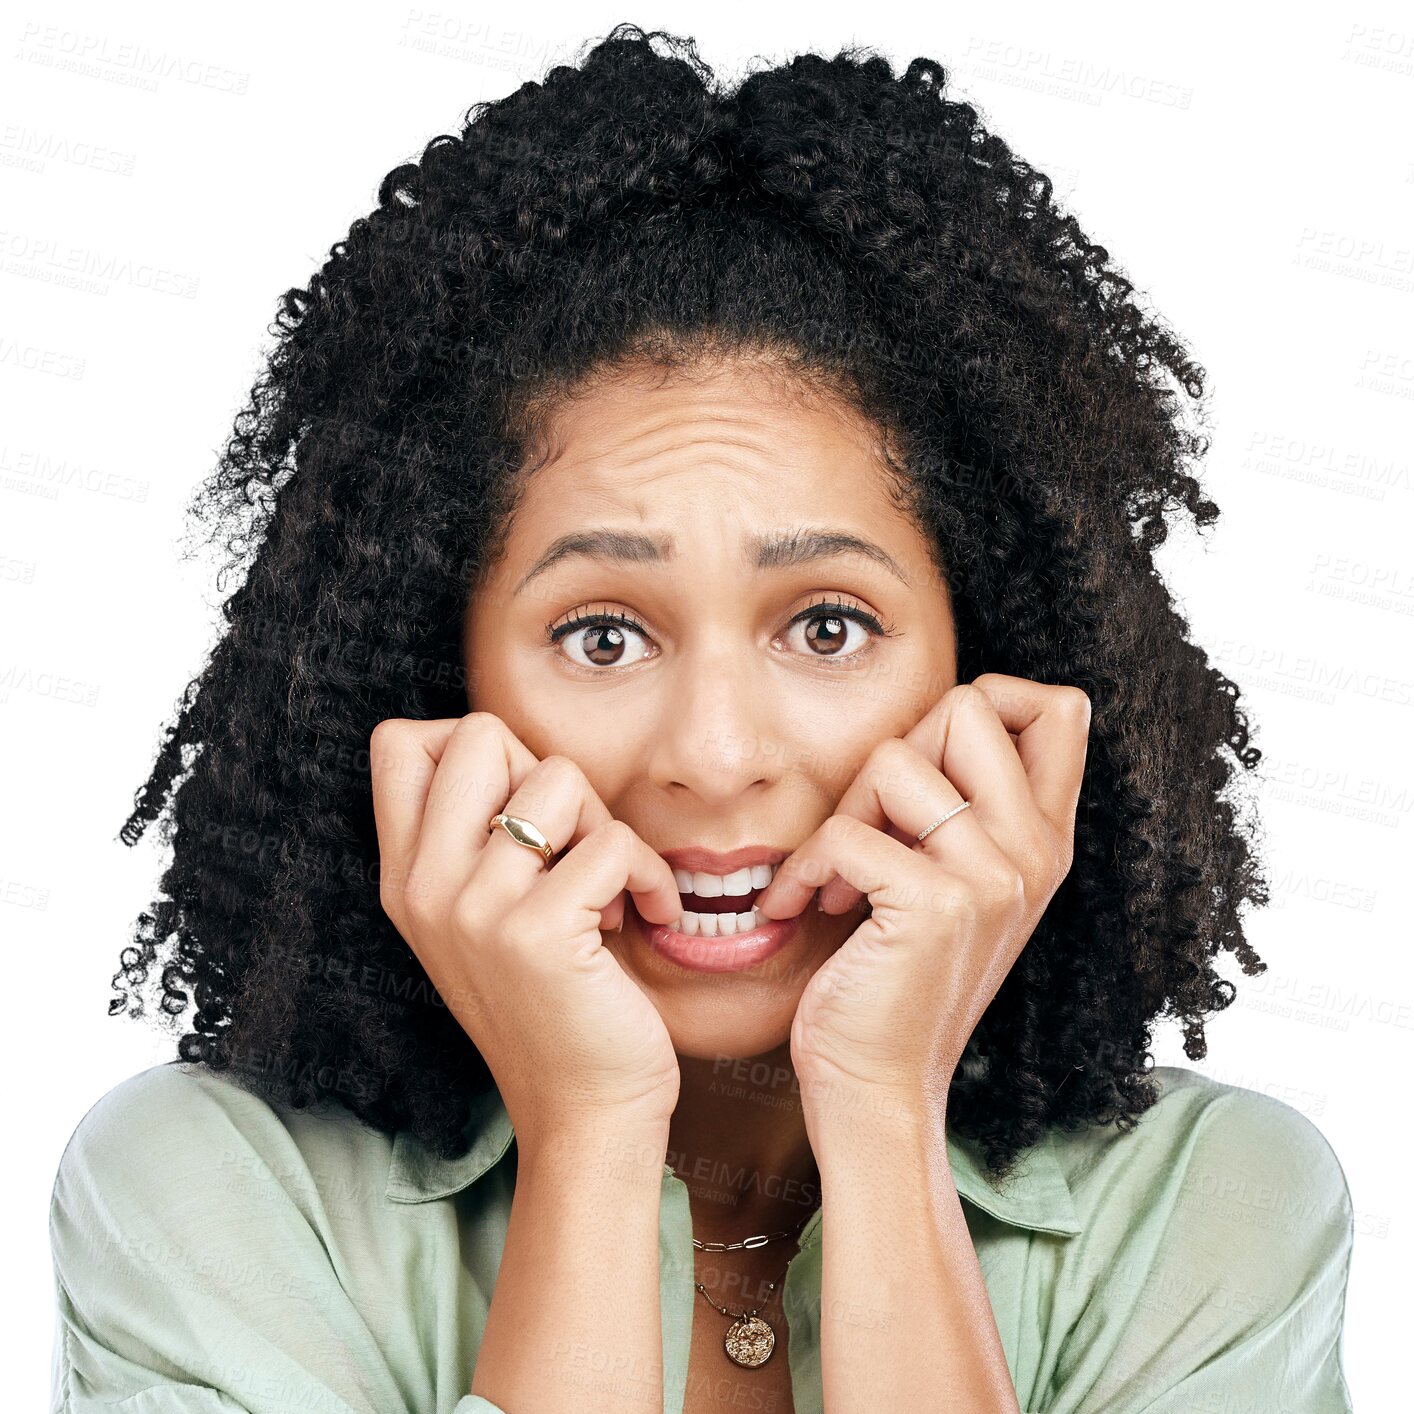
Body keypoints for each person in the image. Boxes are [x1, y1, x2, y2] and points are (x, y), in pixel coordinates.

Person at [48, 23, 1355, 1414]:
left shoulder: (1212, 1213)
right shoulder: (206, 1199)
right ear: (441, 689)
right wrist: (590, 1137)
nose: (717, 759)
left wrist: (883, 1112)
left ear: (990, 673)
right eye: (601, 634)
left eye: (827, 626)